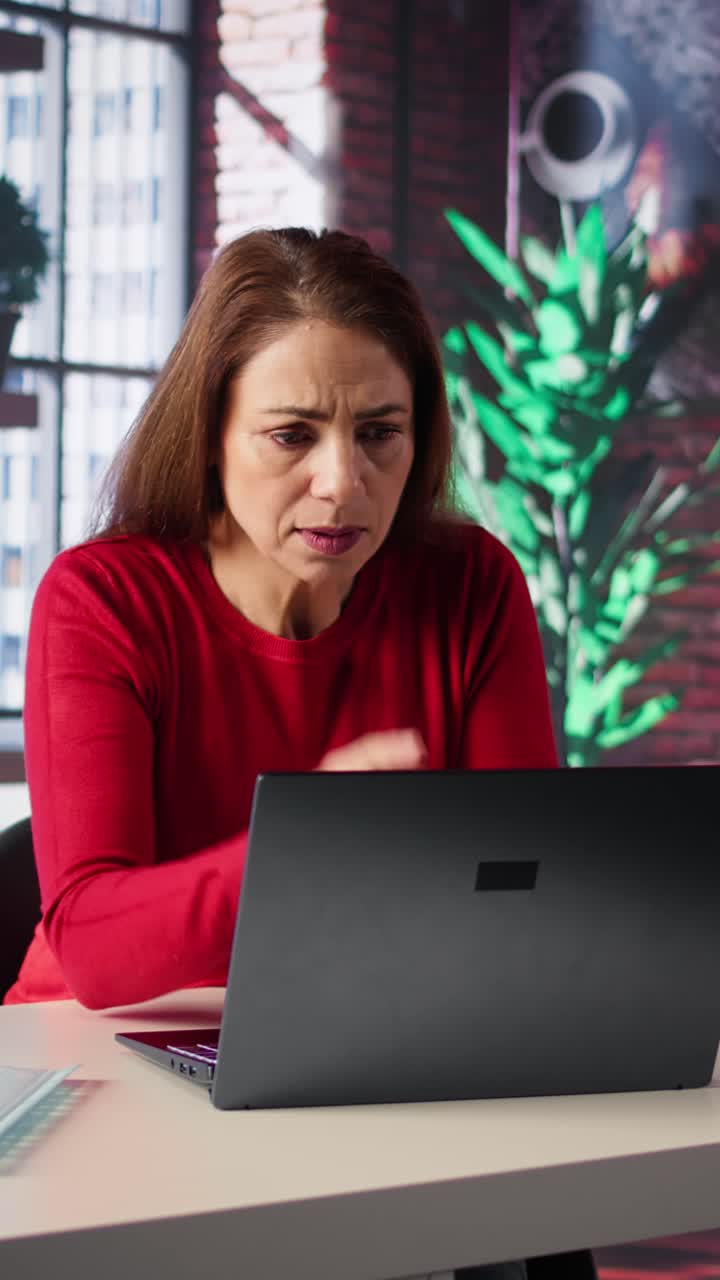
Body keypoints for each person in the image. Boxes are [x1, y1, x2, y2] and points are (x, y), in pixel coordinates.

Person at [4, 225, 595, 1280]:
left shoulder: (471, 585)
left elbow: (522, 898)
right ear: (212, 430)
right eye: (291, 435)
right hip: (101, 1073)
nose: (343, 483)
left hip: (368, 1051)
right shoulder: (102, 600)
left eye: (381, 433)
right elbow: (94, 944)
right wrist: (311, 842)